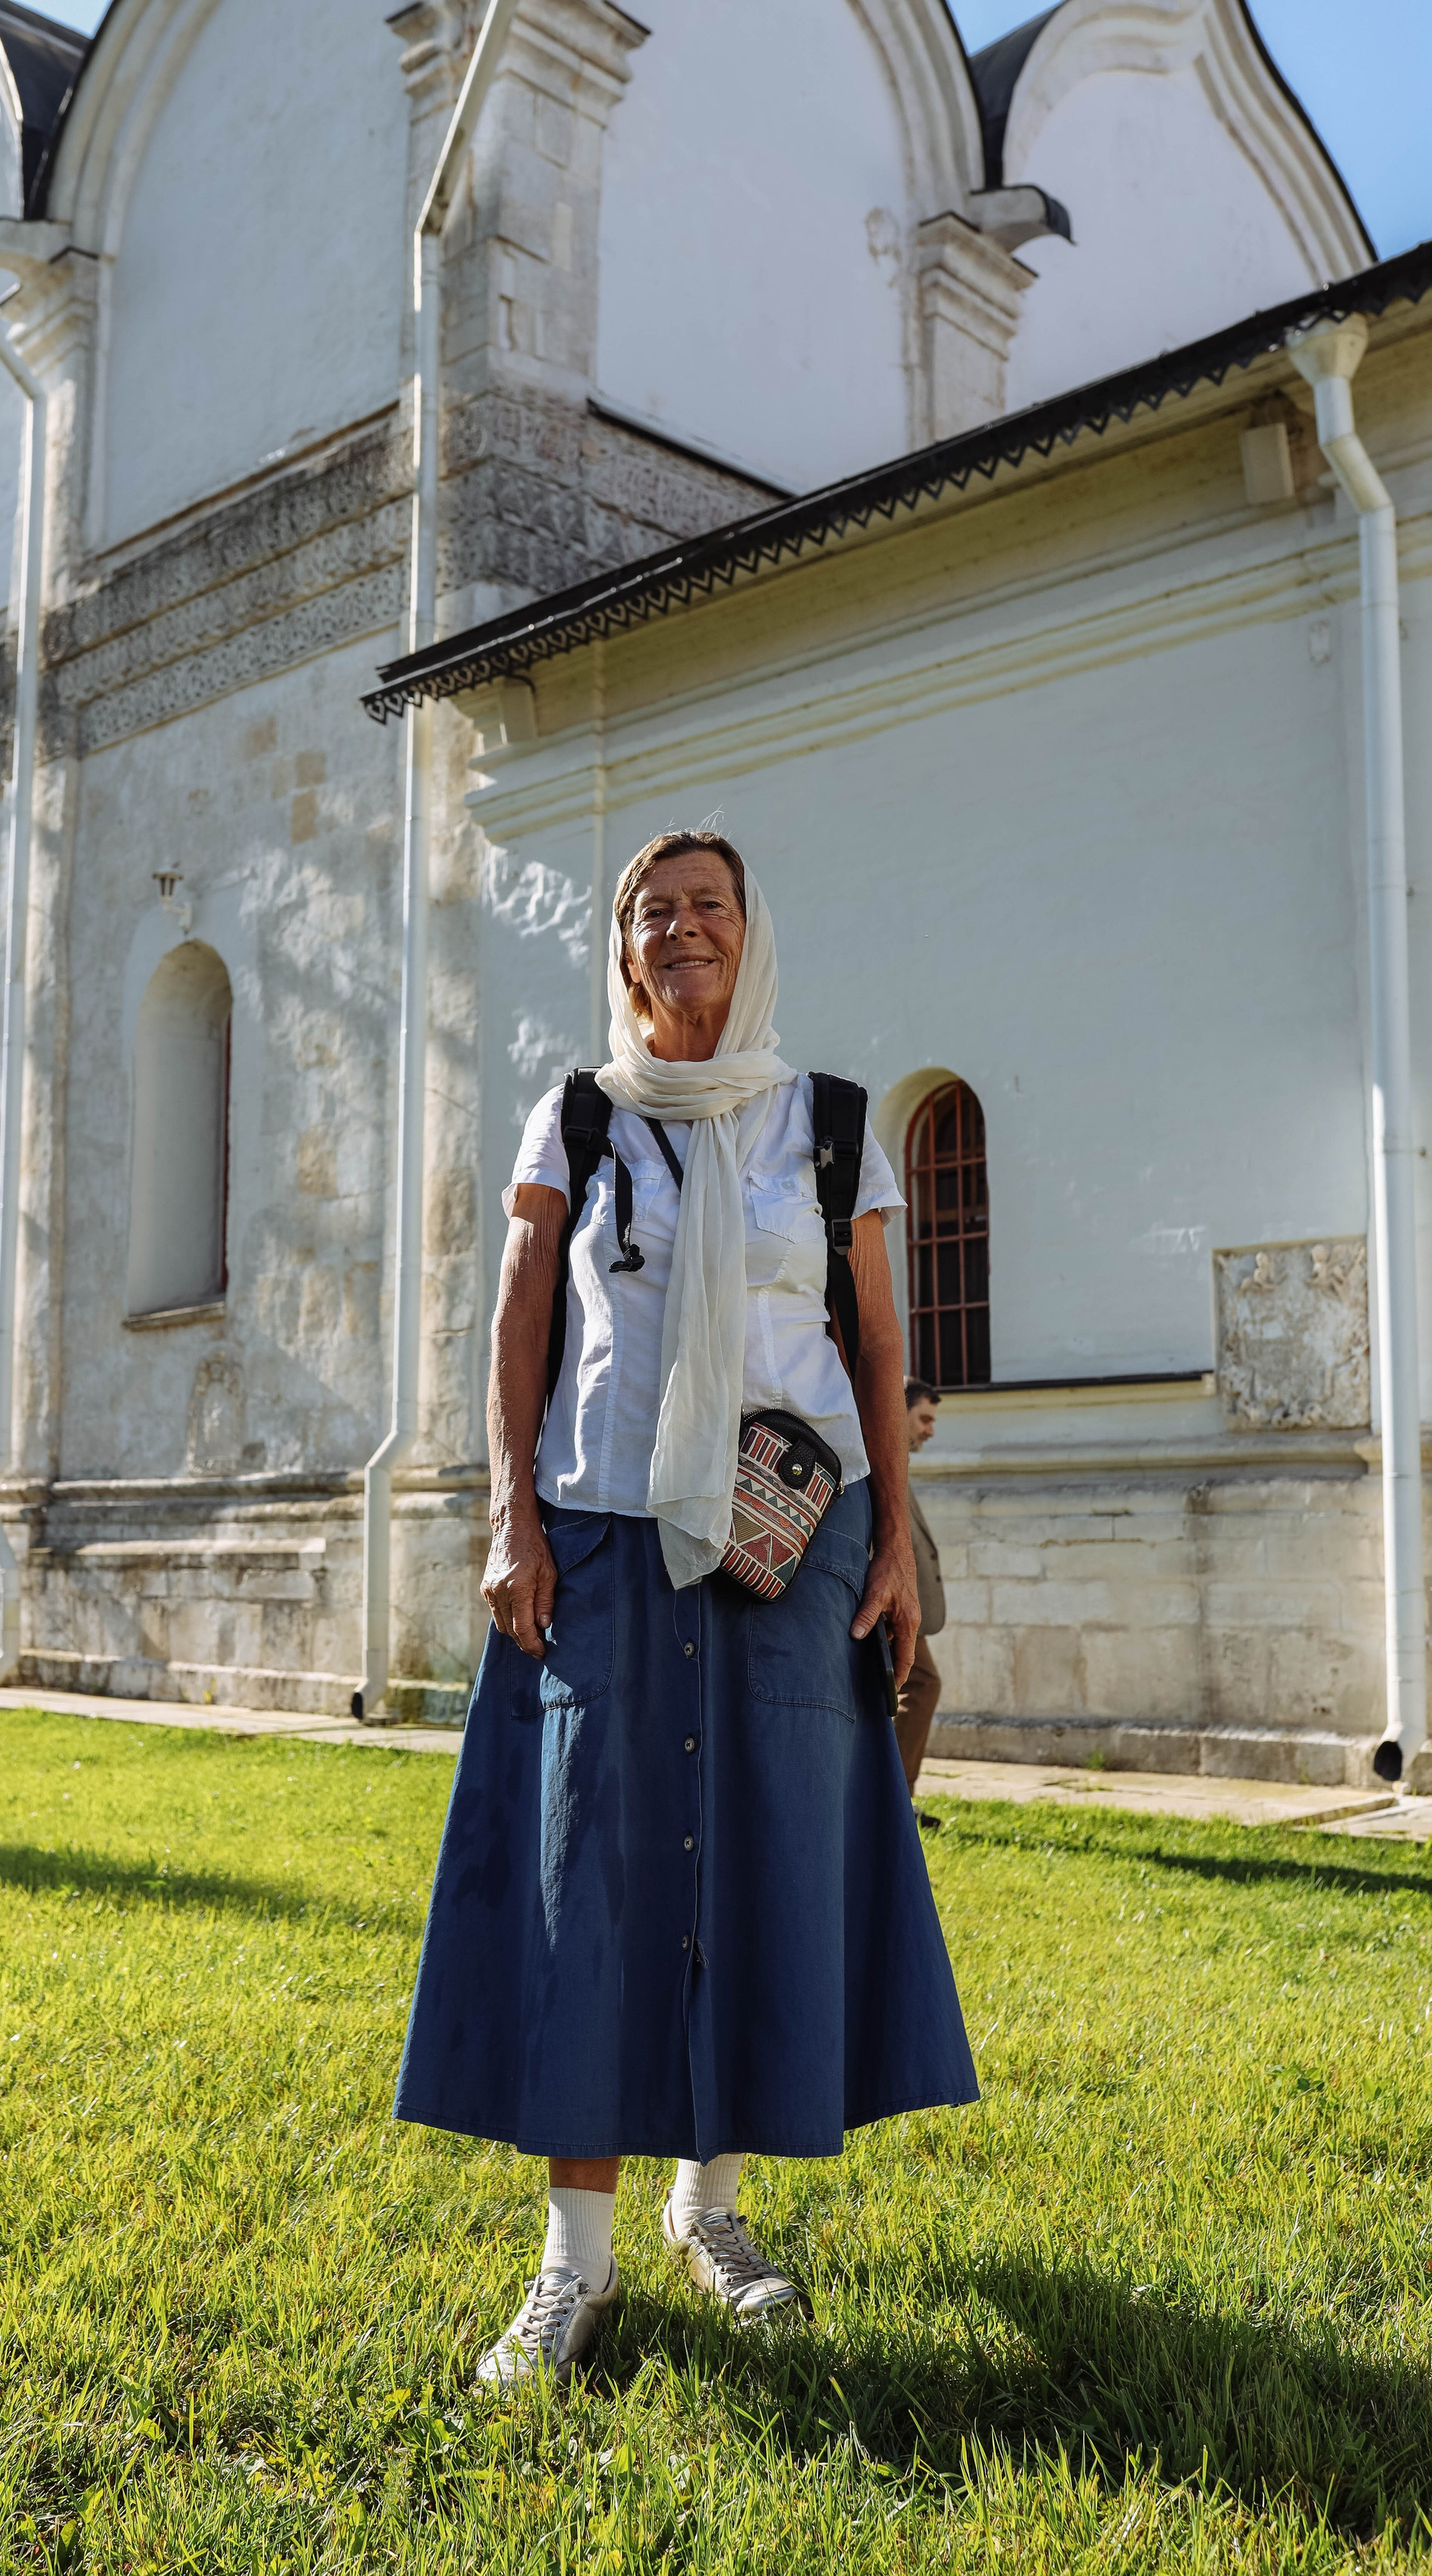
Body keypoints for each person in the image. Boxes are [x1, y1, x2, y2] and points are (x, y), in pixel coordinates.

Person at [395, 830, 978, 2388]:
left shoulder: (830, 1122)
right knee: (590, 1869)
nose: (681, 930)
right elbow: (521, 1326)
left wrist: (898, 1544)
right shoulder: (575, 1116)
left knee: (769, 1864)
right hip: (598, 1535)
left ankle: (707, 2209)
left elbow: (869, 1343)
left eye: (708, 905)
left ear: (748, 930)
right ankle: (566, 2266)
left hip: (795, 1543)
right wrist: (508, 1512)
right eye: (653, 912)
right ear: (623, 948)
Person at [898, 1379, 945, 1823]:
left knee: (920, 1685)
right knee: (924, 1684)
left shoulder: (898, 1462)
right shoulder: (884, 1460)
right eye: (924, 1419)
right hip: (888, 1606)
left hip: (897, 1603)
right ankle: (895, 1800)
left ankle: (897, 1799)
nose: (930, 1430)